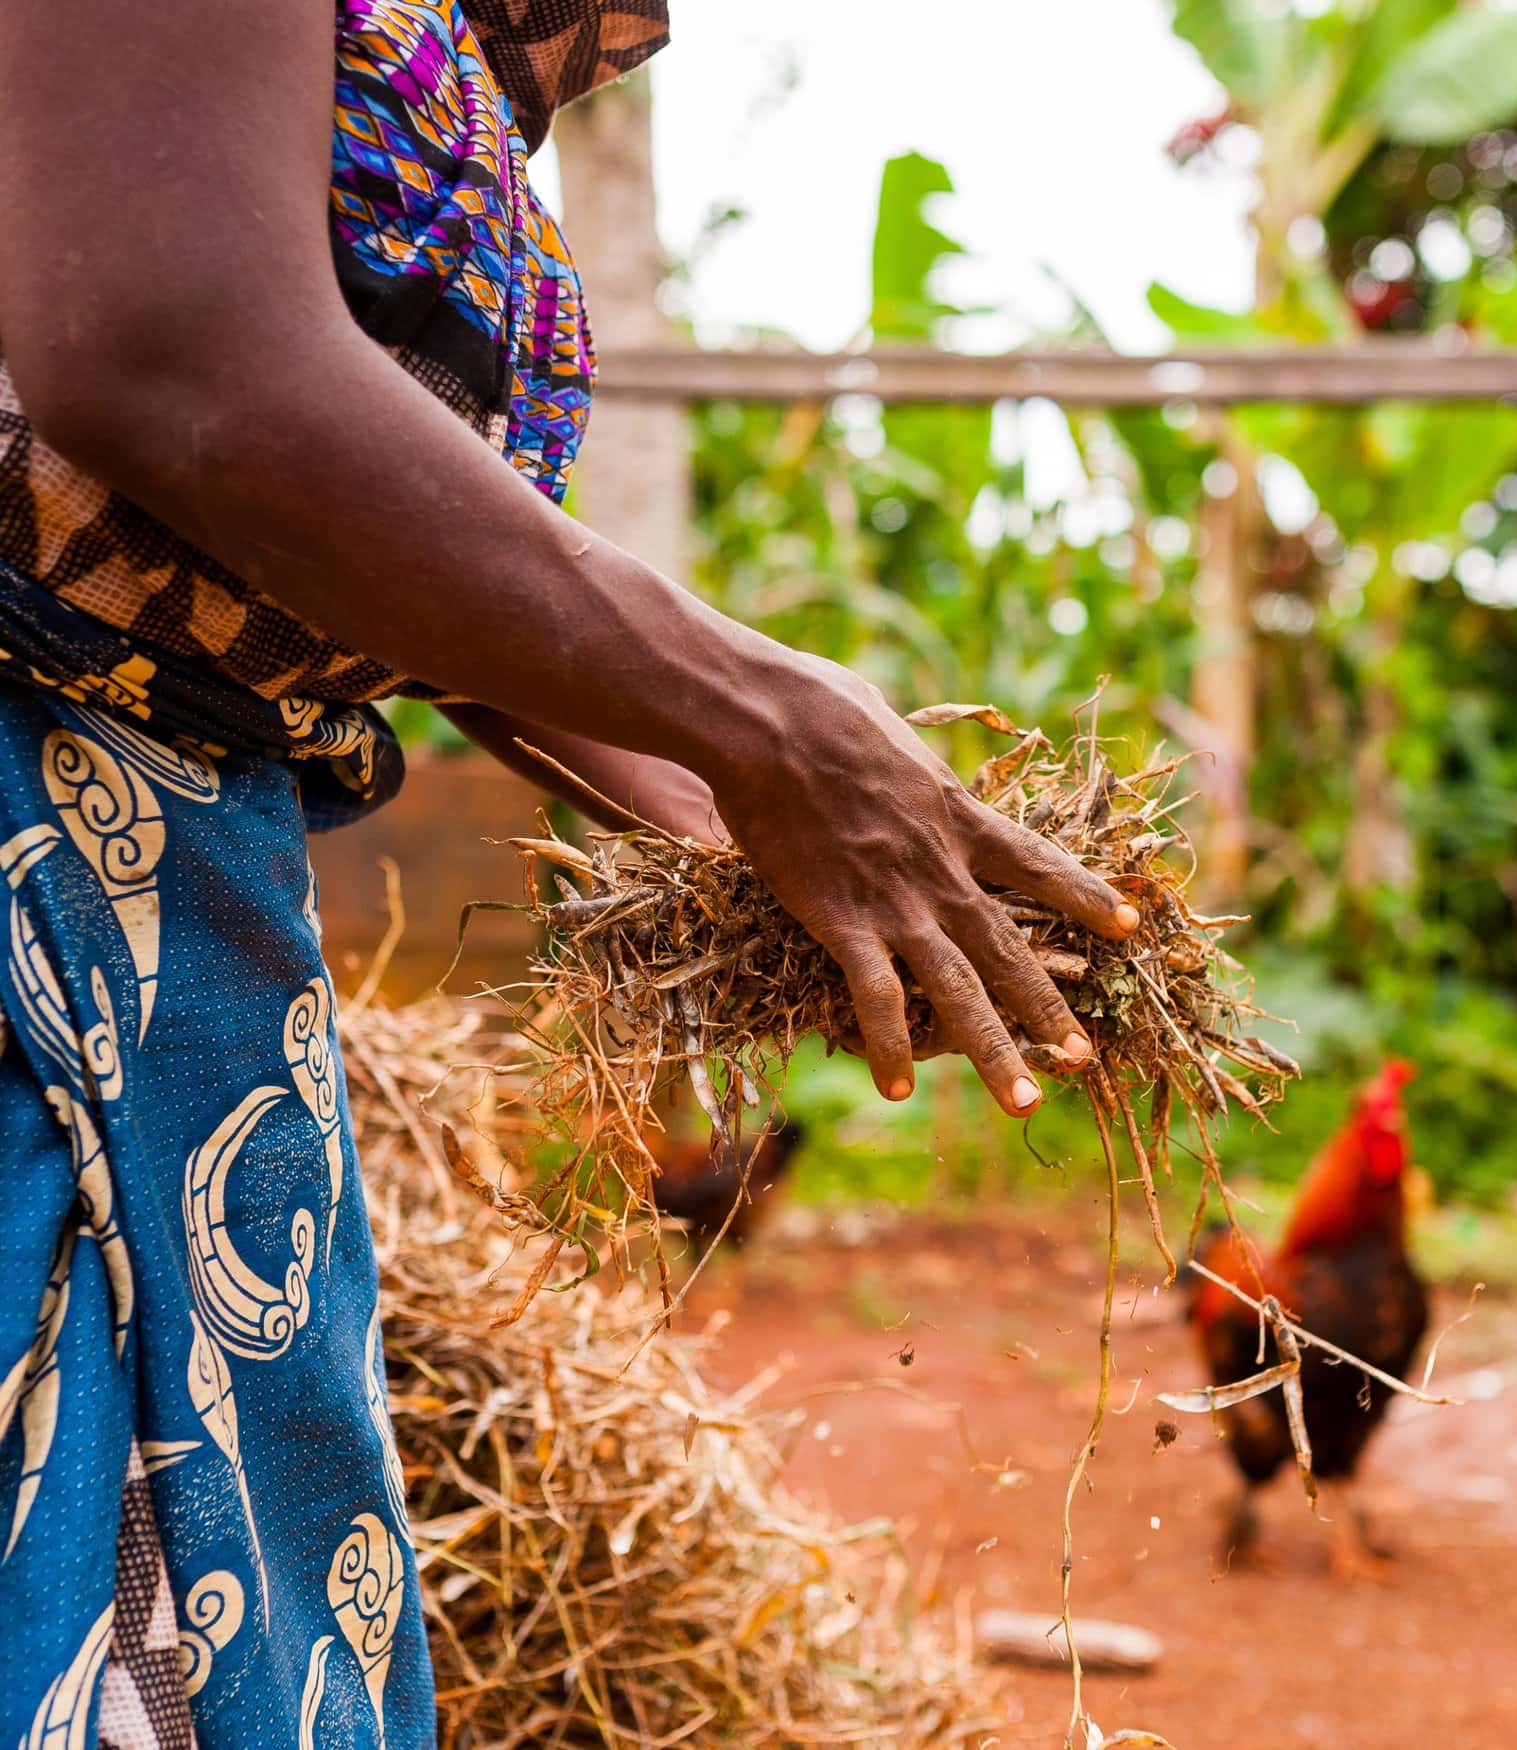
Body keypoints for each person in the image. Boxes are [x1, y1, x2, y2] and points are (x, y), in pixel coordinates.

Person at [0, 2, 1138, 1741]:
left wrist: (731, 814)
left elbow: (339, 528)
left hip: (183, 919)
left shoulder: (473, 54)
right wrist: (761, 715)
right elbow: (171, 348)